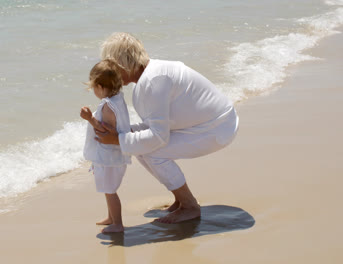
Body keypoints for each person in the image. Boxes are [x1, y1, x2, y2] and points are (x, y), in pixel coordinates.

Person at [95, 32, 239, 224]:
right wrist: (124, 132)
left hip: (218, 127)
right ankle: (181, 200)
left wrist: (117, 139)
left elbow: (157, 137)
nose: (109, 73)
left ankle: (189, 206)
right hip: (204, 124)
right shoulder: (149, 77)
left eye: (111, 67)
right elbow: (153, 126)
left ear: (123, 63)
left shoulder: (154, 79)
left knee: (152, 151)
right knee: (142, 148)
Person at [80, 59, 132, 233]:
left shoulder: (108, 107)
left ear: (101, 87)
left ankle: (118, 224)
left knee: (110, 190)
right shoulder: (117, 99)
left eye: (94, 87)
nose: (94, 91)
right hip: (113, 155)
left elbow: (105, 130)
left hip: (109, 156)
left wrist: (90, 119)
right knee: (107, 188)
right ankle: (111, 217)